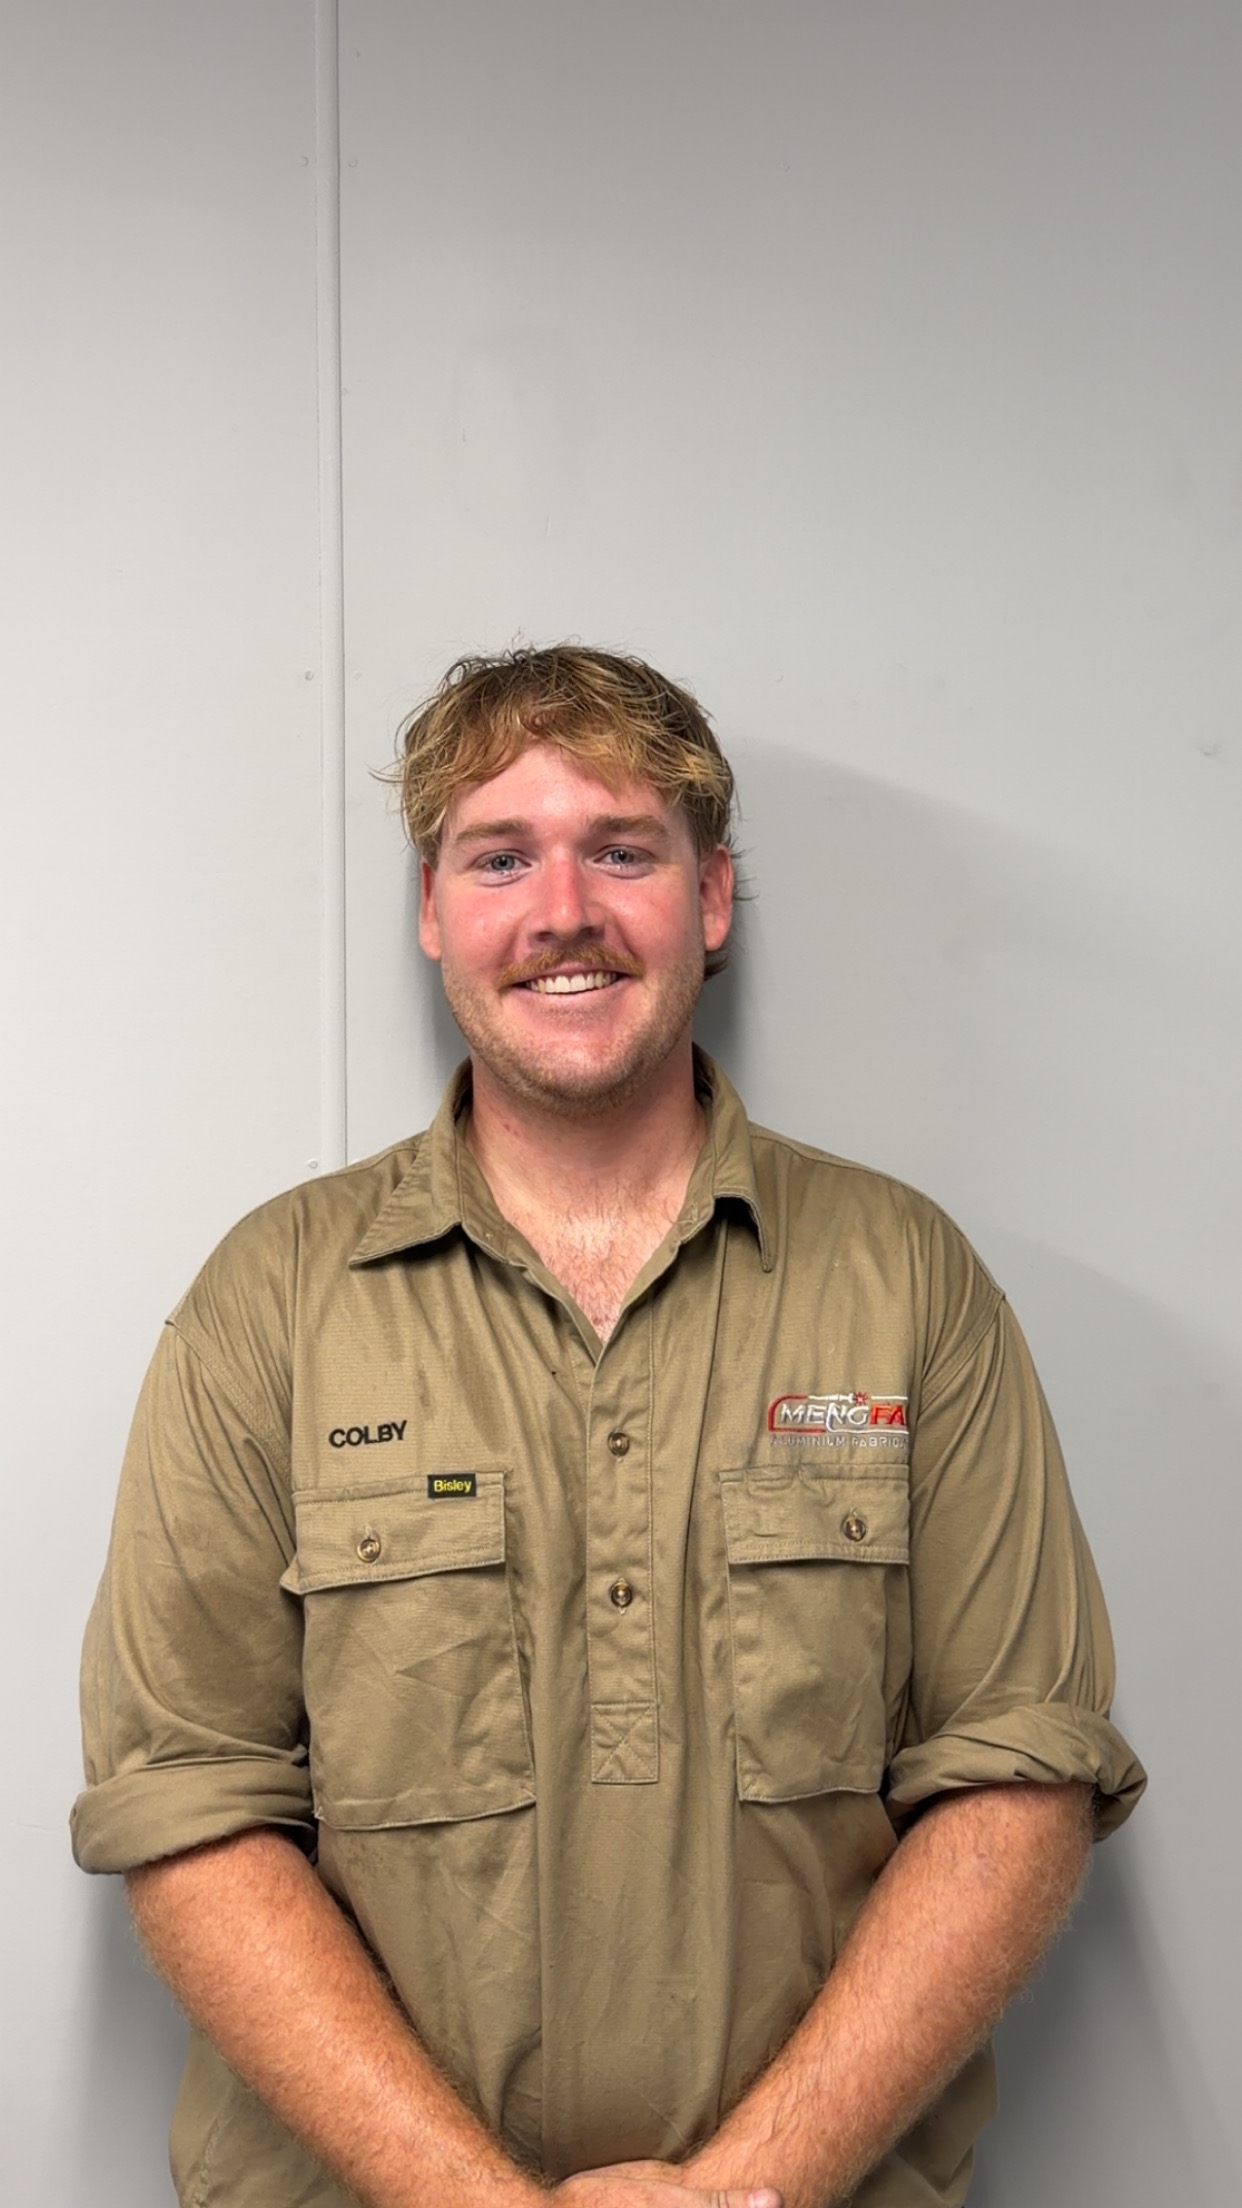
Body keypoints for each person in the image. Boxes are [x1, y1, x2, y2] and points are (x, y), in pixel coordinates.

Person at [72, 645, 1144, 2208]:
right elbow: (190, 1799)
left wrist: (744, 2190)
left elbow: (1018, 1774)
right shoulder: (273, 1302)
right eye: (499, 857)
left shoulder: (901, 1277)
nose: (562, 911)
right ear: (433, 912)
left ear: (710, 899)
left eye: (622, 852)